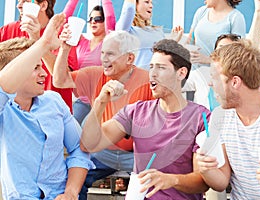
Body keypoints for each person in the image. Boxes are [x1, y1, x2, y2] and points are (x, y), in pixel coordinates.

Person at [80, 39, 210, 199]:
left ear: (181, 73)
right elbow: (89, 144)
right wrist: (100, 102)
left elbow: (203, 181)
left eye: (161, 68)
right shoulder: (136, 112)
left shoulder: (201, 117)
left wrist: (171, 180)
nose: (153, 74)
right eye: (151, 67)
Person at [0, 13, 93, 200]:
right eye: (35, 68)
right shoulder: (4, 109)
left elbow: (79, 149)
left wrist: (70, 193)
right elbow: (3, 86)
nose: (44, 73)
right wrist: (42, 42)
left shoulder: (54, 101)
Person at [53, 30, 153, 200]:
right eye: (103, 53)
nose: (104, 59)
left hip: (134, 155)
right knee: (72, 180)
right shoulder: (94, 74)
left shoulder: (148, 81)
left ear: (129, 58)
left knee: (152, 186)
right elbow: (60, 80)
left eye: (111, 54)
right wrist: (64, 49)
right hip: (101, 153)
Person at [196, 38, 260, 199]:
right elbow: (222, 181)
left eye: (215, 77)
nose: (210, 83)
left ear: (235, 82)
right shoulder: (220, 116)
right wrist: (206, 169)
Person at [0, 0, 80, 111]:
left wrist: (38, 41)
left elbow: (63, 78)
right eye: (19, 1)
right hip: (14, 113)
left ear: (43, 5)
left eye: (25, 1)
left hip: (53, 113)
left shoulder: (63, 33)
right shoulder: (8, 30)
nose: (18, 6)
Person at [73, 1, 116, 125]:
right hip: (83, 99)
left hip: (104, 99)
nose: (93, 22)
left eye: (98, 19)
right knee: (72, 128)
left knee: (90, 131)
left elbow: (110, 17)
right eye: (91, 19)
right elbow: (64, 25)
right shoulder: (81, 42)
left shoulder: (109, 41)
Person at [116, 0, 183, 70]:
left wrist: (172, 41)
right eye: (147, 2)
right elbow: (129, 9)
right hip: (136, 78)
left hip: (156, 78)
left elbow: (163, 57)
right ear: (135, 4)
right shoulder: (127, 30)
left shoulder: (157, 31)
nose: (151, 6)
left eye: (151, 3)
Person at [182, 33, 241, 109]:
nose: (224, 52)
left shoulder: (241, 80)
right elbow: (174, 84)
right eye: (221, 48)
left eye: (229, 50)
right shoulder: (201, 73)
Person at [186, 0, 246, 66]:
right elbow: (190, 41)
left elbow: (238, 56)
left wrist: (209, 60)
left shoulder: (236, 17)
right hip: (194, 72)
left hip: (217, 73)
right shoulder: (201, 12)